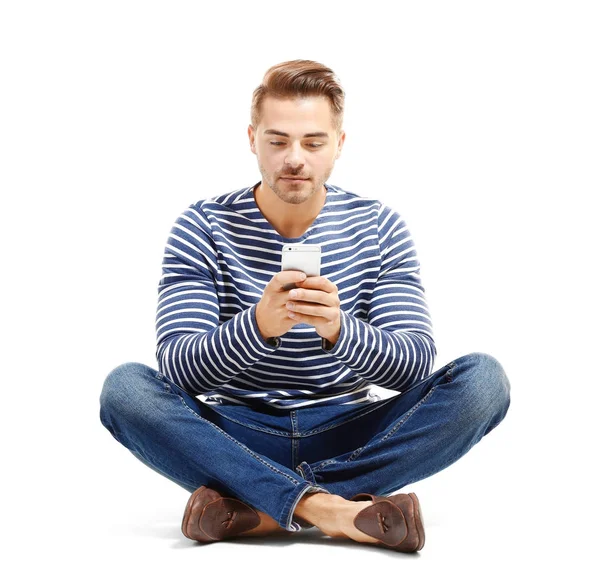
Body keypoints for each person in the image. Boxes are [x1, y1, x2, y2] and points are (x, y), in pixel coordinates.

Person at [99, 59, 511, 553]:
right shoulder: (202, 226)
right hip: (237, 433)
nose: (295, 158)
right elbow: (179, 370)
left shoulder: (379, 227)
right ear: (252, 139)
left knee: (483, 382)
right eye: (277, 141)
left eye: (313, 142)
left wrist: (340, 329)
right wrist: (258, 327)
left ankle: (262, 507)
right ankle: (331, 510)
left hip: (348, 431)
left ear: (339, 144)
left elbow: (414, 364)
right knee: (126, 390)